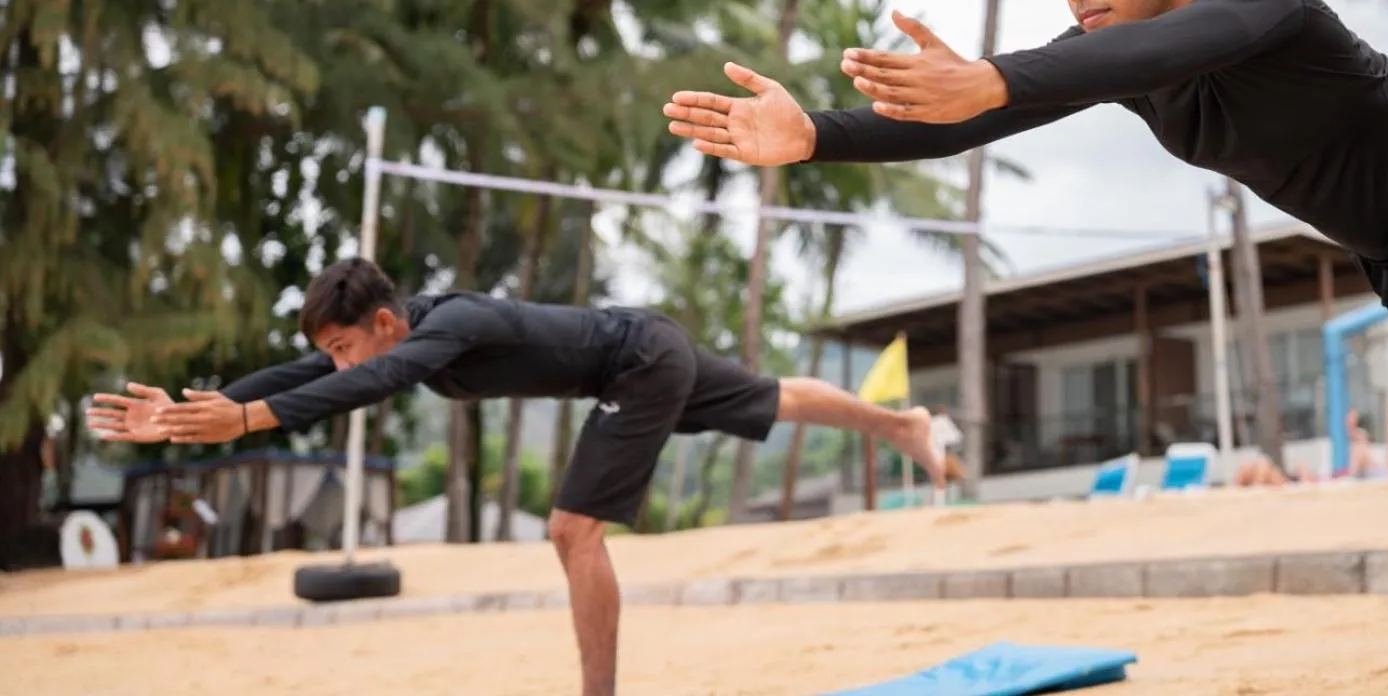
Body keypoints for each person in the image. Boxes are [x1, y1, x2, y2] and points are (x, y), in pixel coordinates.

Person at [662, 0, 1388, 696]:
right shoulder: (1113, 60)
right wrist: (812, 140)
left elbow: (1122, 58)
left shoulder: (1263, 0)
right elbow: (977, 117)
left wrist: (993, 76)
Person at [87, 256, 945, 696]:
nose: (341, 361)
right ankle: (898, 423)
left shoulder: (447, 326)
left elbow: (369, 382)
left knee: (571, 530)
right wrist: (199, 408)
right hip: (640, 355)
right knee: (771, 398)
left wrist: (241, 422)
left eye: (346, 343)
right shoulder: (406, 331)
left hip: (640, 360)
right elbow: (302, 377)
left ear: (384, 321)